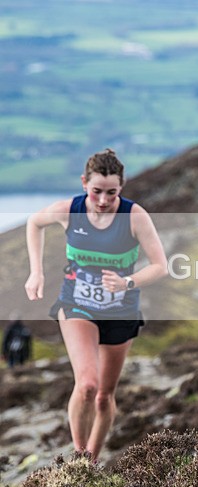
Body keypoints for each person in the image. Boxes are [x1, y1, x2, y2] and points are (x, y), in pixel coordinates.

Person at [24, 148, 168, 461]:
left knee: (104, 396)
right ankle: (79, 459)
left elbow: (160, 266)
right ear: (84, 183)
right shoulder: (69, 210)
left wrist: (127, 282)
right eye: (96, 191)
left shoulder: (134, 216)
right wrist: (36, 271)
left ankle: (92, 458)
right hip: (76, 304)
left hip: (121, 310)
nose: (103, 200)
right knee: (87, 384)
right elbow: (34, 223)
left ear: (122, 187)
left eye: (112, 193)